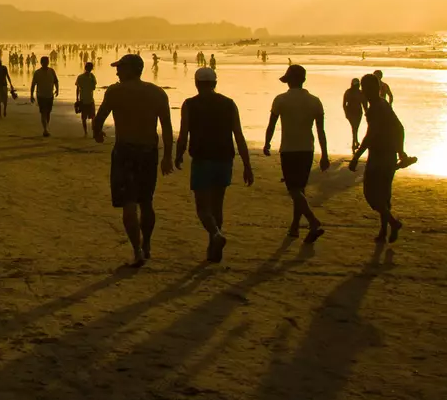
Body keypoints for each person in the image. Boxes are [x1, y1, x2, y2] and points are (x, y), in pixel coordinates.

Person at [93, 54, 174, 267]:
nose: (117, 72)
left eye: (120, 68)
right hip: (149, 152)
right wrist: (167, 156)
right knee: (146, 201)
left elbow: (99, 119)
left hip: (125, 152)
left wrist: (97, 133)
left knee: (129, 203)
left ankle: (137, 249)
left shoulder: (115, 92)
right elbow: (166, 126)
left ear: (130, 69)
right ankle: (146, 243)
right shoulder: (157, 93)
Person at [175, 67, 254, 262]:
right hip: (224, 159)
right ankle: (213, 246)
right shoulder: (229, 104)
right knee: (217, 206)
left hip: (202, 159)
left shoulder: (190, 104)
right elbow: (239, 135)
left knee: (202, 207)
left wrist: (178, 154)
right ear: (215, 83)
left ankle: (216, 236)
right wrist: (247, 164)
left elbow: (184, 134)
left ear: (196, 83)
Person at [264, 64, 329, 244]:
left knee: (294, 191)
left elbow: (272, 124)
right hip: (308, 149)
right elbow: (321, 131)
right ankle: (294, 227)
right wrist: (324, 154)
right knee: (299, 190)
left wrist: (267, 142)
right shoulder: (315, 101)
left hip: (289, 149)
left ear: (290, 81)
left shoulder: (280, 100)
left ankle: (313, 222)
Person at [350, 73, 407, 243]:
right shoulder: (383, 104)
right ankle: (383, 231)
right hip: (389, 155)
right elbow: (399, 128)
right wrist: (400, 151)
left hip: (378, 157)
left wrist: (356, 157)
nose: (363, 91)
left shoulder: (375, 108)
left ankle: (393, 223)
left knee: (371, 194)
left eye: (364, 87)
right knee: (384, 195)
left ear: (370, 88)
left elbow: (370, 135)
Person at [29, 56, 61, 137]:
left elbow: (56, 81)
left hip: (50, 95)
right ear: (41, 63)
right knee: (43, 112)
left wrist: (57, 89)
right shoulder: (37, 72)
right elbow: (33, 84)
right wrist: (31, 95)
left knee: (48, 113)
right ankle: (45, 129)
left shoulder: (51, 71)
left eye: (47, 61)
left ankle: (46, 127)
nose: (46, 63)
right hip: (41, 95)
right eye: (45, 62)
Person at [75, 61, 98, 137]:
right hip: (89, 99)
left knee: (84, 118)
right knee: (92, 117)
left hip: (83, 99)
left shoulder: (80, 77)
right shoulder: (92, 77)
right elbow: (93, 88)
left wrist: (77, 99)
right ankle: (93, 131)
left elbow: (78, 89)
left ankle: (86, 132)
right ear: (91, 68)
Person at [343, 78, 365, 152]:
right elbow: (344, 104)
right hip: (351, 112)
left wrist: (367, 112)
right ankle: (355, 142)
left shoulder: (360, 92)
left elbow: (364, 103)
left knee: (355, 128)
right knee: (354, 127)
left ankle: (355, 142)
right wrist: (346, 113)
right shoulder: (348, 92)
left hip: (358, 112)